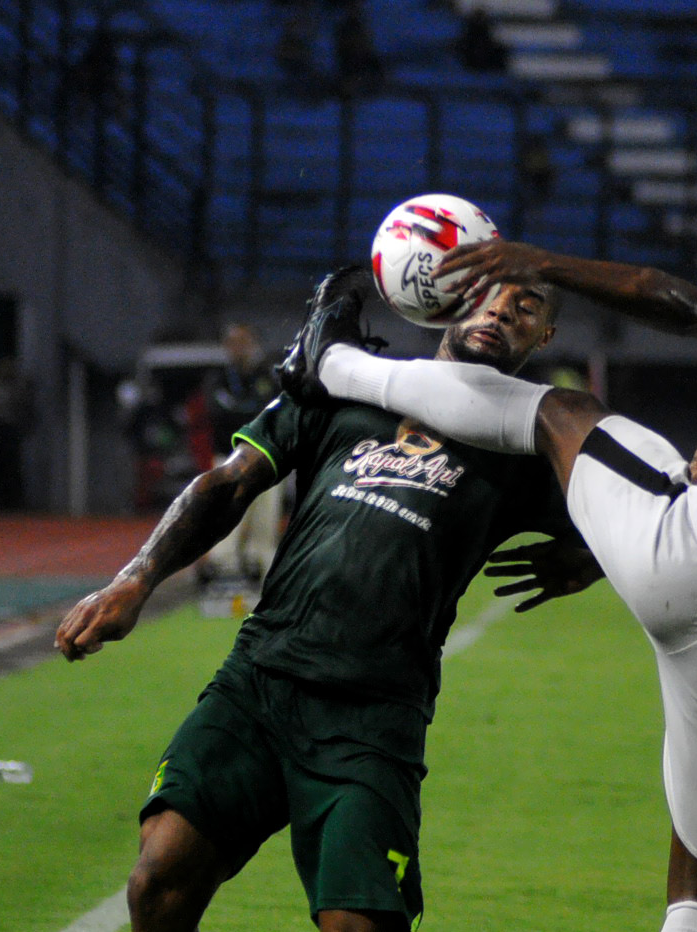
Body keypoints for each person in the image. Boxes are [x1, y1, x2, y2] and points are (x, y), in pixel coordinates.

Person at [283, 205, 697, 932]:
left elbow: (676, 303)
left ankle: (332, 363)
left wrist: (543, 263)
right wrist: (622, 525)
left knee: (560, 412)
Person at [54, 266, 597, 932]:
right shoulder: (342, 387)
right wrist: (135, 579)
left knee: (358, 925)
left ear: (545, 332)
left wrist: (584, 558)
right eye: (488, 296)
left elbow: (625, 512)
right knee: (159, 876)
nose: (500, 312)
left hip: (374, 716)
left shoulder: (526, 442)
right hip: (262, 679)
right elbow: (227, 484)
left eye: (524, 307)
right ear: (446, 300)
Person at [198, 322, 283, 583]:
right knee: (225, 519)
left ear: (253, 344)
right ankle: (221, 576)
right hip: (228, 457)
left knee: (264, 521)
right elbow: (217, 413)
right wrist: (248, 411)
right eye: (233, 343)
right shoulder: (217, 378)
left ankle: (263, 577)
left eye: (244, 342)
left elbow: (272, 411)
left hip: (265, 459)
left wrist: (239, 410)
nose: (239, 348)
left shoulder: (267, 375)